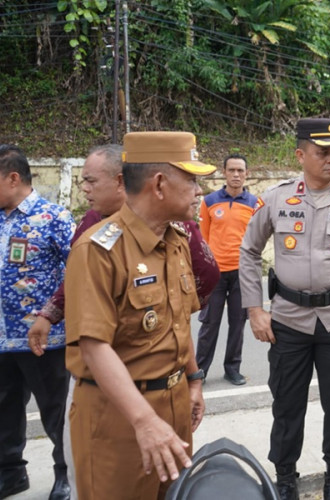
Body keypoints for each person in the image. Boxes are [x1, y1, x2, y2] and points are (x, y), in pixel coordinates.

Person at [27, 144, 219, 500]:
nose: (199, 191)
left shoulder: (175, 241)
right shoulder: (97, 250)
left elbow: (177, 321)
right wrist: (145, 422)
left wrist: (193, 379)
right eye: (192, 180)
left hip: (174, 407)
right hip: (119, 416)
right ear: (159, 185)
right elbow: (93, 346)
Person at [239, 118, 330, 500]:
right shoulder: (274, 199)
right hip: (287, 320)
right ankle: (286, 477)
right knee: (287, 404)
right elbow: (249, 251)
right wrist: (255, 309)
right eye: (324, 152)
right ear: (301, 155)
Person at [0, 144, 75, 500]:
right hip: (1, 339)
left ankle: (66, 474)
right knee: (4, 411)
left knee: (56, 412)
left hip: (43, 339)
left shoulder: (54, 217)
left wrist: (51, 315)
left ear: (13, 178)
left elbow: (79, 271)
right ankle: (11, 474)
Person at [196, 153, 258, 385]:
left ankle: (232, 368)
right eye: (231, 170)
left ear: (246, 174)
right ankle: (200, 370)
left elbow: (256, 239)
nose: (236, 174)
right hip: (215, 274)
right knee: (210, 323)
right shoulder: (210, 201)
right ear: (224, 172)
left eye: (240, 171)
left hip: (242, 274)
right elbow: (202, 239)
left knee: (237, 324)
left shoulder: (254, 204)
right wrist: (203, 271)